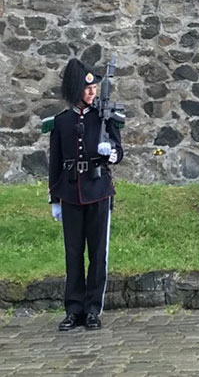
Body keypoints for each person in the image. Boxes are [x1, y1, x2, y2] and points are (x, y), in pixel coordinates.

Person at [44, 57, 125, 331]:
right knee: (73, 253)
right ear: (74, 89)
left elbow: (119, 150)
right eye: (86, 88)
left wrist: (111, 153)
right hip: (70, 193)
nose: (91, 92)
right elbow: (55, 163)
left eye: (94, 88)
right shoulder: (62, 122)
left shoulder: (105, 116)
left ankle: (93, 309)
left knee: (98, 253)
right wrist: (54, 199)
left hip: (98, 190)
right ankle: (74, 309)